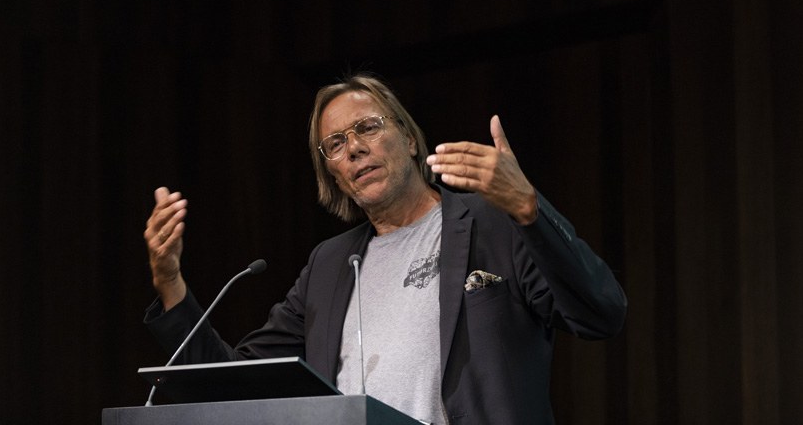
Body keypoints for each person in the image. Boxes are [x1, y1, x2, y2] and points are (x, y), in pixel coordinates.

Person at [143, 73, 626, 424]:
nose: (353, 148)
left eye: (368, 128)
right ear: (332, 172)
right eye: (334, 143)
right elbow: (234, 386)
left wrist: (528, 208)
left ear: (410, 140)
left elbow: (600, 314)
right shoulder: (330, 265)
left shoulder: (493, 224)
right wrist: (171, 286)